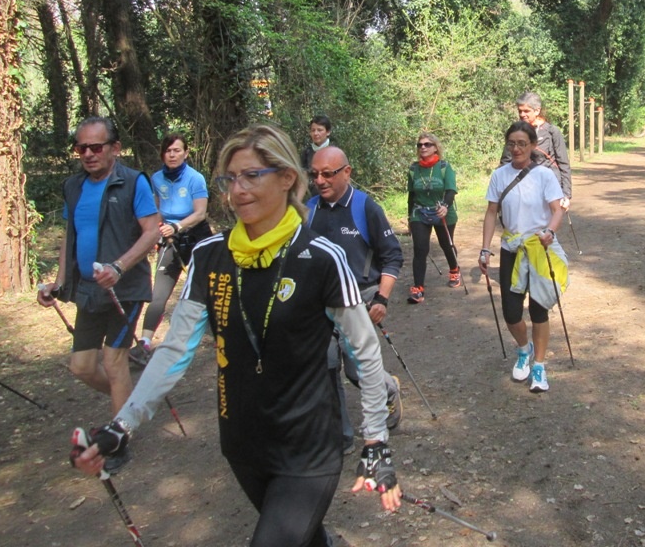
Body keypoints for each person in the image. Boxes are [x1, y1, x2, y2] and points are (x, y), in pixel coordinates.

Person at [72, 124, 401, 547]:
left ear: (286, 178)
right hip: (243, 443)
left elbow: (365, 351)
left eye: (251, 176)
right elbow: (175, 349)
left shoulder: (322, 257)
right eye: (229, 179)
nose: (237, 190)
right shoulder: (210, 255)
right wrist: (122, 425)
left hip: (308, 447)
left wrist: (376, 440)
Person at [36, 117, 159, 418]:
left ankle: (120, 433)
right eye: (81, 148)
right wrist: (58, 284)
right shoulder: (73, 187)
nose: (89, 154)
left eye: (96, 147)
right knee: (82, 367)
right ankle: (131, 405)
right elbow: (70, 236)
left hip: (125, 289)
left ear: (115, 148)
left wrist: (118, 267)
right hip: (89, 291)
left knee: (115, 361)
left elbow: (152, 231)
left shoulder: (133, 182)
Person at [305, 146, 403, 451]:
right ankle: (341, 435)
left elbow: (392, 256)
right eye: (314, 174)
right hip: (319, 304)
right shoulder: (307, 211)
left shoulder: (365, 207)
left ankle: (388, 389)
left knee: (355, 368)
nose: (320, 181)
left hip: (360, 298)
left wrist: (382, 299)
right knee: (326, 364)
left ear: (346, 172)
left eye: (327, 174)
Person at [480, 121, 567, 393]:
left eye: (521, 143)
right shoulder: (499, 175)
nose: (516, 148)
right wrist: (485, 249)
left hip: (539, 248)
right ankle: (523, 348)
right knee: (511, 312)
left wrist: (550, 232)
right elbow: (491, 213)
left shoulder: (544, 175)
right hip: (511, 249)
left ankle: (539, 366)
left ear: (532, 146)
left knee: (539, 310)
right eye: (512, 143)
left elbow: (557, 210)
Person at [130, 133, 213, 366]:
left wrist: (177, 226)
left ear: (186, 153)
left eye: (177, 150)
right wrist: (159, 230)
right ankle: (144, 343)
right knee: (159, 293)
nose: (172, 155)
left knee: (209, 289)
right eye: (168, 151)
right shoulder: (156, 179)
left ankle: (223, 334)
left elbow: (200, 213)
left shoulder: (195, 178)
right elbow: (156, 210)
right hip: (169, 240)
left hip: (196, 237)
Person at [406, 132, 461, 303]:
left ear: (435, 148)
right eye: (420, 145)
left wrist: (445, 206)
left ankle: (454, 270)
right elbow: (411, 195)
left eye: (427, 144)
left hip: (442, 210)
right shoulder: (413, 169)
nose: (423, 147)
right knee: (420, 249)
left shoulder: (444, 167)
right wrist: (409, 217)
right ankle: (418, 288)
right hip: (419, 212)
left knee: (446, 244)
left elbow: (451, 190)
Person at [499, 92, 572, 209]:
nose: (522, 114)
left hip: (550, 188)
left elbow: (563, 164)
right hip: (522, 187)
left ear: (537, 111)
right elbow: (505, 162)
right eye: (520, 111)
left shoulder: (552, 131)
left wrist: (566, 194)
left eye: (526, 111)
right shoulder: (515, 132)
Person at [300, 114, 333, 196]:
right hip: (314, 197)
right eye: (313, 130)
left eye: (319, 130)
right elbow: (304, 179)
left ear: (328, 132)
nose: (315, 133)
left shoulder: (335, 151)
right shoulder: (307, 152)